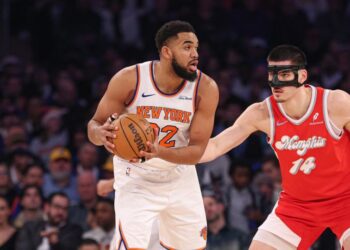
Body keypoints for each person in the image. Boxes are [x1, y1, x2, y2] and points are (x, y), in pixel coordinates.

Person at [200, 44, 350, 250]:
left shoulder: (335, 103)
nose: (276, 82)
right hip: (297, 206)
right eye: (272, 74)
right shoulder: (262, 112)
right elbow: (216, 146)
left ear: (302, 75)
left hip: (345, 200)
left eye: (285, 74)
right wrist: (167, 153)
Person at [88, 20, 219, 249]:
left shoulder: (205, 88)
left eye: (196, 47)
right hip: (135, 174)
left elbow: (196, 151)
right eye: (187, 47)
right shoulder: (129, 79)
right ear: (167, 52)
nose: (195, 54)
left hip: (179, 174)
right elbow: (94, 125)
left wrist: (159, 152)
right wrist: (100, 134)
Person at [16, 191, 82, 250]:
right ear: (47, 207)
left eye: (65, 208)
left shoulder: (74, 230)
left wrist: (56, 243)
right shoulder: (30, 227)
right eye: (57, 207)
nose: (61, 212)